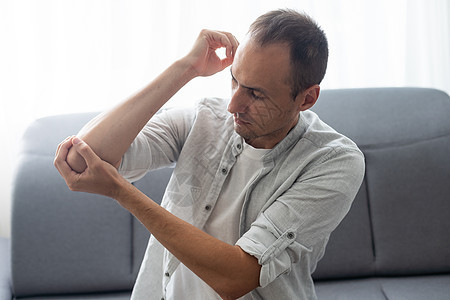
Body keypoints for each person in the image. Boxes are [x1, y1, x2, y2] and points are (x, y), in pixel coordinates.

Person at [54, 9, 364, 300]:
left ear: (307, 98)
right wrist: (185, 68)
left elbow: (236, 276)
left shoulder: (334, 161)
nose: (233, 105)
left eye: (255, 94)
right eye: (234, 80)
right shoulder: (205, 117)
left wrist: (122, 192)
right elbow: (80, 159)